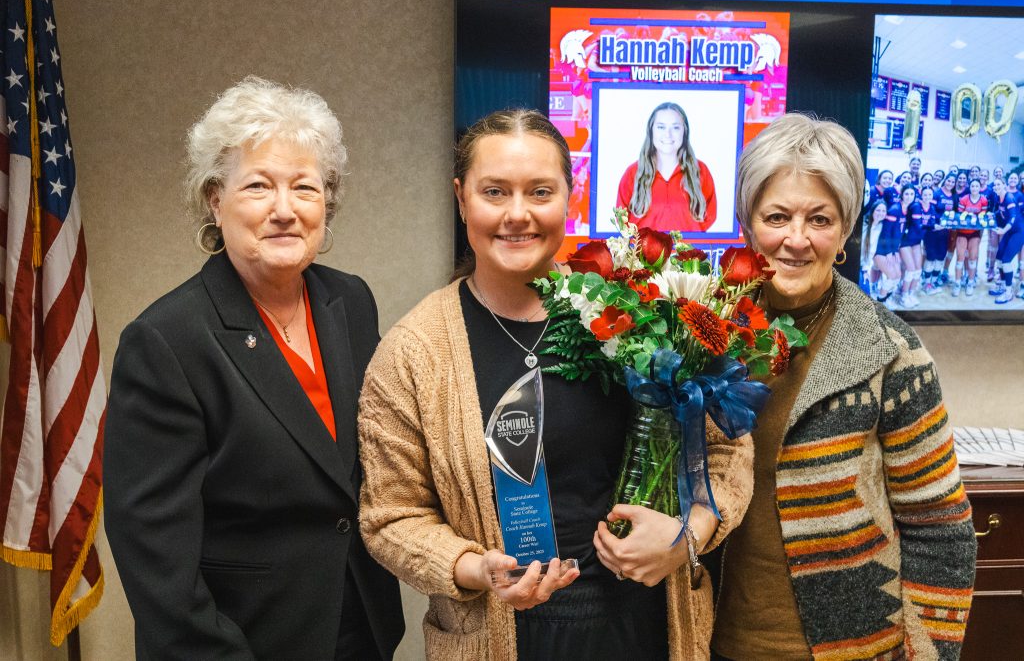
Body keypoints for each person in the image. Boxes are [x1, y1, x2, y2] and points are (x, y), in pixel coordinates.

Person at [358, 109, 753, 660]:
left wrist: (688, 536)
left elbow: (725, 450)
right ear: (460, 196)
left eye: (539, 192)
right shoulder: (413, 353)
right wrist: (473, 568)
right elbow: (390, 516)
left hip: (646, 629)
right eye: (494, 191)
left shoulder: (635, 311)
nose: (517, 215)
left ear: (571, 195)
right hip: (499, 636)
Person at [103, 77, 404, 660]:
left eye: (305, 188)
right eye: (259, 186)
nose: (285, 210)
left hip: (358, 626)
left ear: (327, 202)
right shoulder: (166, 340)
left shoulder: (350, 301)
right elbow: (155, 556)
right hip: (241, 640)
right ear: (216, 199)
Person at [710, 113, 976, 660]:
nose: (796, 240)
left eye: (820, 219)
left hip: (852, 646)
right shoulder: (701, 331)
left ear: (847, 228)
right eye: (777, 216)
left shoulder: (891, 351)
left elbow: (941, 529)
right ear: (747, 222)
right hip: (711, 636)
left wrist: (929, 654)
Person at [618, 101, 718, 232]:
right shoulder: (633, 173)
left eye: (675, 127)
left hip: (687, 252)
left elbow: (709, 215)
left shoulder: (700, 171)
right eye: (661, 127)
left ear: (684, 132)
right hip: (643, 252)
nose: (668, 134)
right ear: (651, 130)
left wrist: (690, 239)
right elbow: (621, 219)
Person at [989, 177, 1024, 303]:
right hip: (1010, 231)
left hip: (1018, 232)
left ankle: (1008, 293)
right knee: (999, 259)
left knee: (1006, 261)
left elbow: (1013, 218)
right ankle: (1003, 285)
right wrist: (993, 215)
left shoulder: (1009, 197)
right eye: (995, 185)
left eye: (999, 184)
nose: (996, 186)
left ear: (1004, 185)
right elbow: (1001, 211)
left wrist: (1003, 231)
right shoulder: (998, 197)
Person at [954, 178, 988, 297]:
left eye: (976, 186)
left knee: (973, 258)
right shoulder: (963, 199)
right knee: (960, 257)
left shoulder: (983, 200)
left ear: (980, 187)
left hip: (974, 232)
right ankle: (957, 283)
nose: (974, 188)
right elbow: (960, 215)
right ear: (970, 187)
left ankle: (970, 282)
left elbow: (983, 215)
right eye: (972, 186)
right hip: (962, 231)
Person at [897, 184, 924, 308]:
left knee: (918, 270)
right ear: (902, 194)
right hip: (904, 242)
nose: (909, 197)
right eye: (906, 194)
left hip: (915, 241)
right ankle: (904, 295)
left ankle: (910, 293)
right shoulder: (897, 207)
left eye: (911, 194)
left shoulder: (915, 206)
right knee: (910, 269)